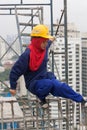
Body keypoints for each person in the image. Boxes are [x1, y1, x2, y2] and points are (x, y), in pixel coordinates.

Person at [9, 24, 87, 108]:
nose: (46, 44)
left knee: (61, 86)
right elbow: (15, 71)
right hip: (33, 83)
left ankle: (81, 100)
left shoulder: (43, 48)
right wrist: (13, 87)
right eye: (44, 41)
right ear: (38, 41)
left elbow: (49, 42)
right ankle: (41, 98)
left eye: (46, 41)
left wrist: (51, 39)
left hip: (45, 78)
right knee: (48, 84)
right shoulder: (27, 55)